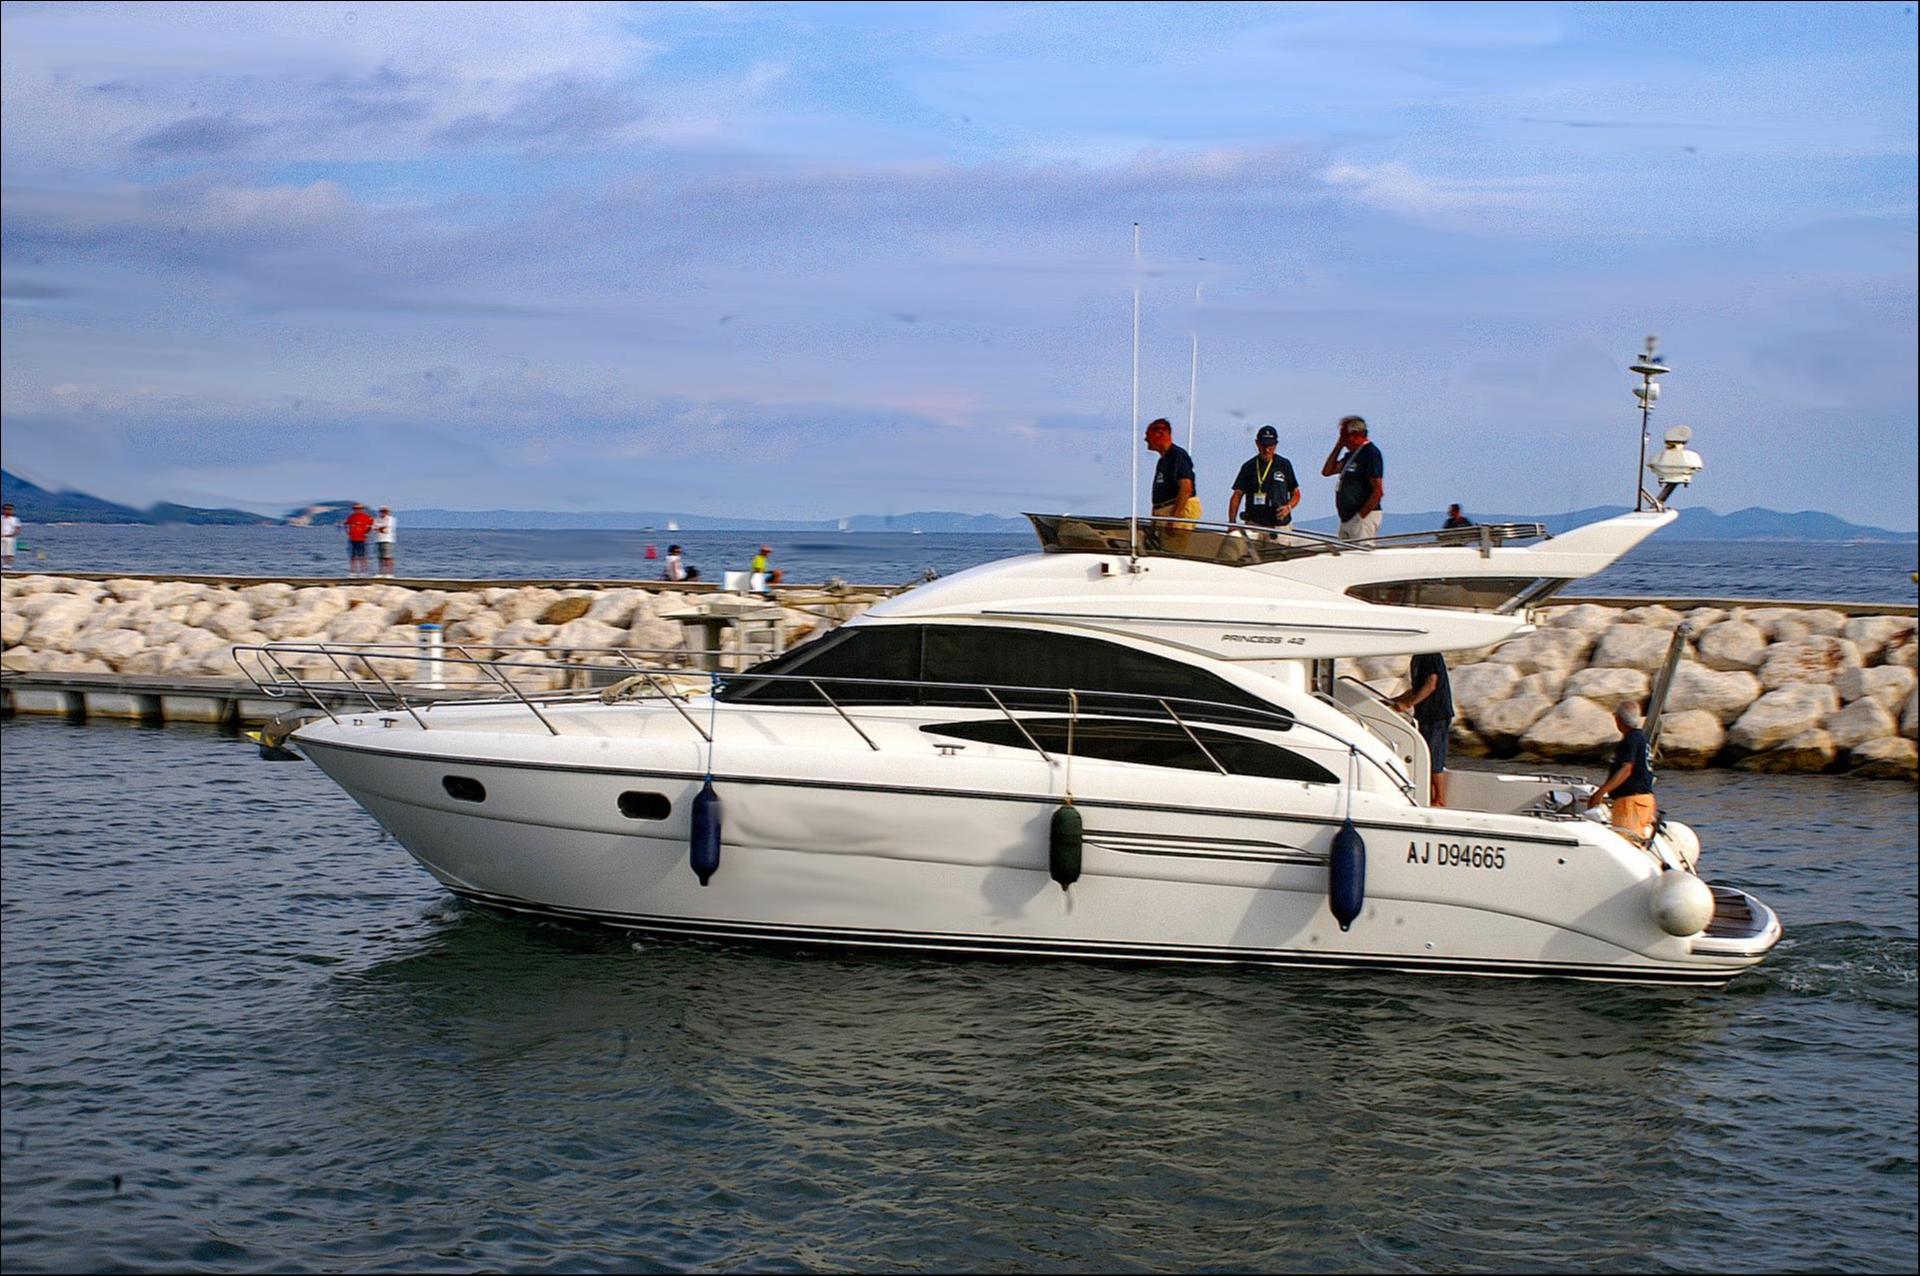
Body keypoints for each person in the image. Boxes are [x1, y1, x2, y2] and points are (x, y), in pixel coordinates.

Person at [1588, 703, 1658, 842]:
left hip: (1631, 802)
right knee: (1635, 841)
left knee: (1627, 842)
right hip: (1644, 800)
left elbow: (1626, 769)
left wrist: (1600, 793)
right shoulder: (1641, 738)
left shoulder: (1631, 740)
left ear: (1619, 720)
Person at [1392, 652, 1453, 807]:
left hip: (1436, 713)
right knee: (1425, 753)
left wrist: (1408, 704)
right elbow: (1417, 689)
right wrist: (1394, 701)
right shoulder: (1418, 657)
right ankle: (1430, 796)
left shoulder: (1430, 654)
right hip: (1425, 715)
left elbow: (1431, 684)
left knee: (1433, 755)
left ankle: (1439, 799)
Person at [1320, 415, 1384, 541]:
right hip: (1347, 517)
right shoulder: (1352, 455)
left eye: (1344, 436)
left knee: (1360, 552)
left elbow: (1378, 490)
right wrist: (1338, 447)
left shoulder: (1370, 454)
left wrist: (1361, 516)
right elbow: (1328, 471)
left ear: (1355, 434)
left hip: (1362, 517)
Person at [1227, 424, 1300, 531]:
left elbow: (1296, 493)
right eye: (1264, 446)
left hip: (1280, 526)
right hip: (1254, 524)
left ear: (1276, 445)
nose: (1267, 450)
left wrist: (1288, 507)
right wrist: (1232, 522)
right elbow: (1237, 495)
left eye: (1271, 446)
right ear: (1257, 443)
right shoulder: (1248, 467)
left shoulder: (1284, 464)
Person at [1144, 417, 1200, 550]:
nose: (1146, 439)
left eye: (1148, 435)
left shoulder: (1177, 456)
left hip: (1175, 512)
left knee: (1171, 551)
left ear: (1160, 434)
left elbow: (1186, 488)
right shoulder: (1163, 460)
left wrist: (1174, 518)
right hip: (1163, 512)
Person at [342, 502, 374, 577]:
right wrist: (348, 533)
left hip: (362, 539)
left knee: (362, 556)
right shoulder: (351, 517)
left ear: (362, 509)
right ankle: (352, 572)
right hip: (352, 539)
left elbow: (371, 525)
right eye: (355, 509)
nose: (357, 510)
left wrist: (366, 533)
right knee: (353, 556)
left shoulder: (366, 517)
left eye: (359, 508)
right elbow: (345, 524)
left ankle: (364, 572)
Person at [373, 506, 397, 577]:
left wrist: (379, 528)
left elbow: (386, 527)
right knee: (380, 558)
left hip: (388, 540)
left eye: (385, 511)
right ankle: (381, 573)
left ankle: (390, 573)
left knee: (388, 557)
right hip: (379, 540)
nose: (383, 512)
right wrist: (380, 528)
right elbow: (374, 527)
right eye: (382, 511)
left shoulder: (391, 519)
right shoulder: (377, 519)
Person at [0, 503, 19, 569]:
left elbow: (17, 529)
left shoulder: (14, 519)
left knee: (9, 553)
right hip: (1, 537)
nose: (7, 510)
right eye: (5, 509)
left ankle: (8, 566)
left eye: (9, 509)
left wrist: (12, 535)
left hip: (10, 538)